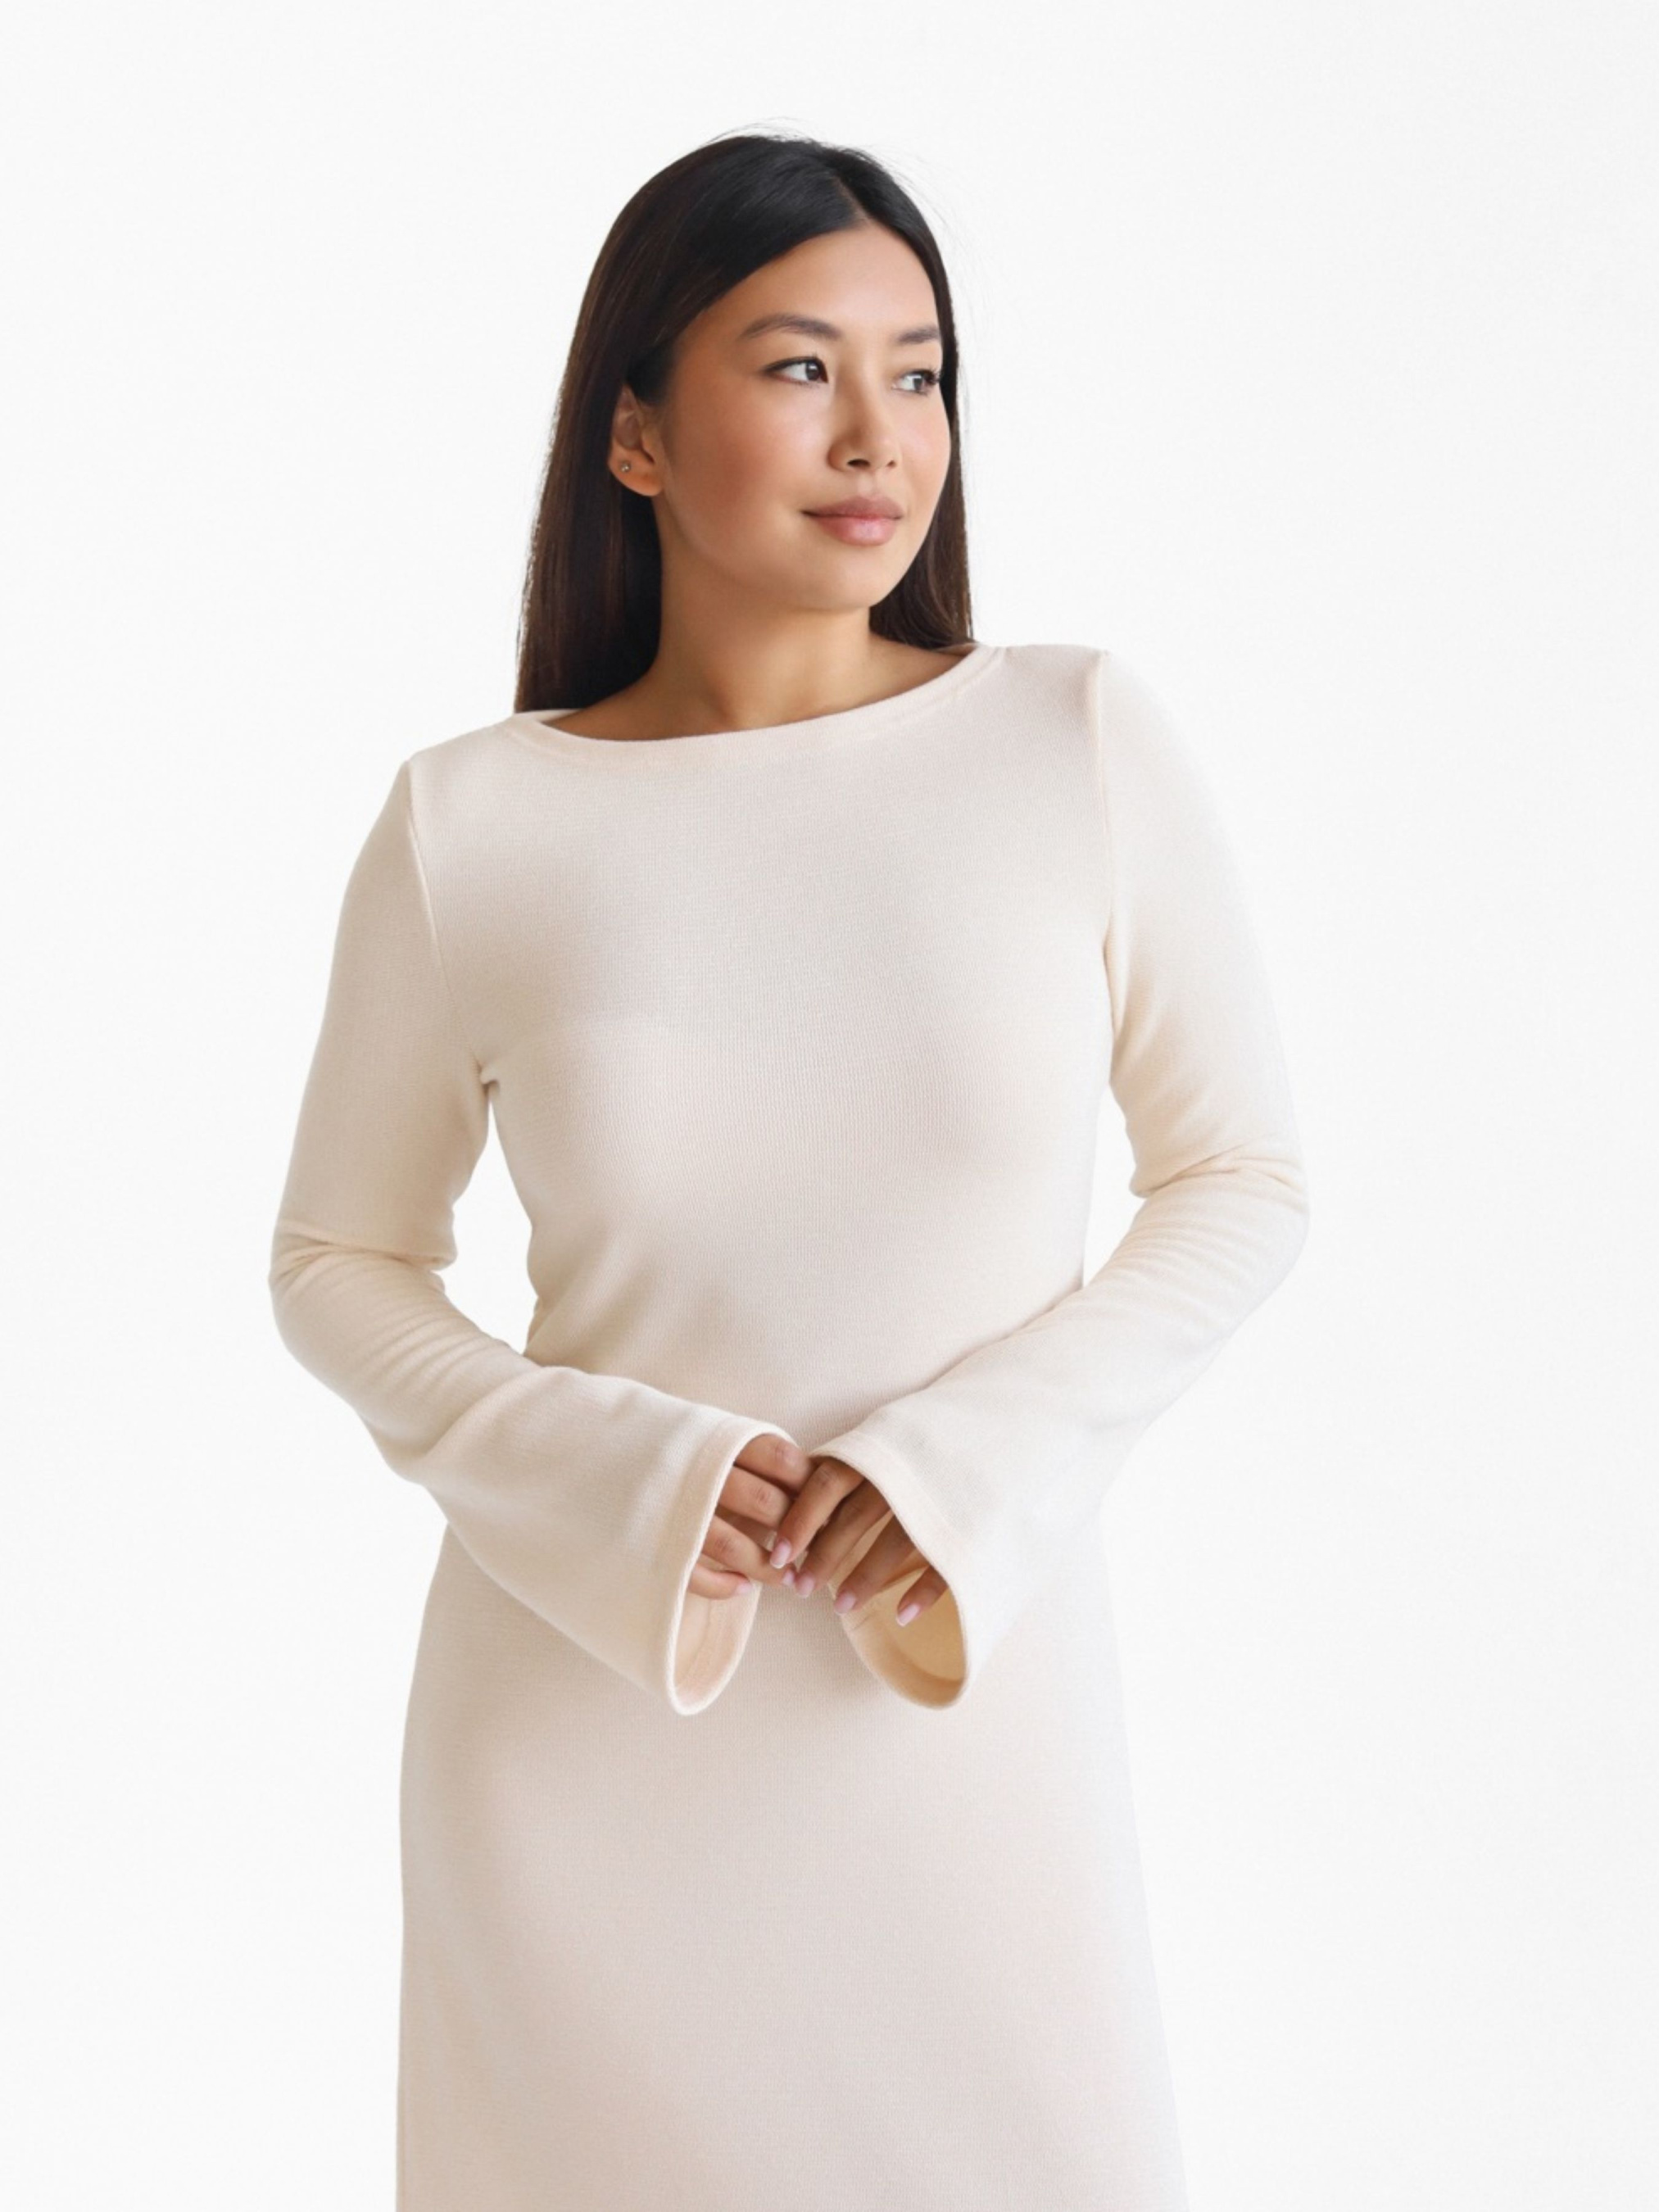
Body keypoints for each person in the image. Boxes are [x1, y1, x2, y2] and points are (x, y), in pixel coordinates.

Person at [268, 127, 1311, 2212]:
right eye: (798, 367)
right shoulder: (470, 823)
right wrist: (615, 1471)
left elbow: (1238, 1179)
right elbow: (338, 1259)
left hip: (960, 1708)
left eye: (917, 373)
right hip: (581, 1731)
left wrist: (956, 1464)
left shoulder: (1071, 741)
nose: (877, 436)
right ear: (635, 434)